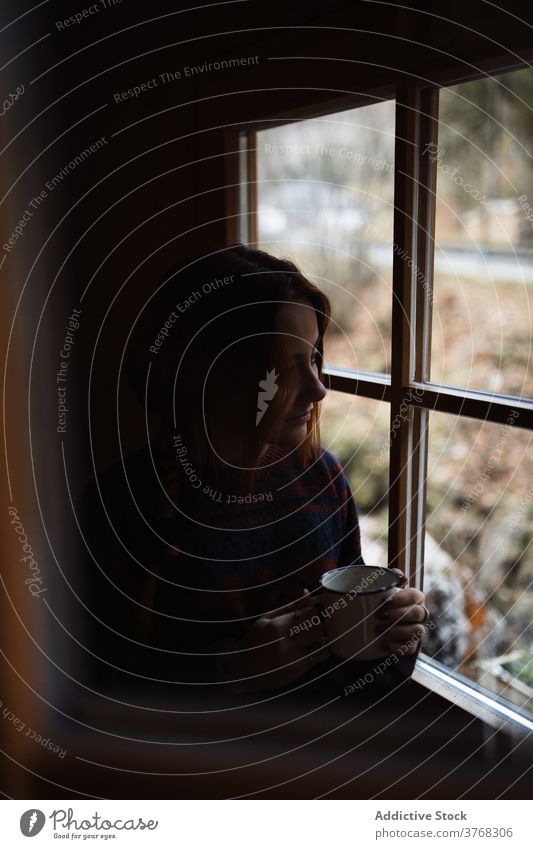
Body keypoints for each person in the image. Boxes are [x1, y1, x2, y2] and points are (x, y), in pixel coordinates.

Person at [78, 244, 428, 697]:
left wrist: (396, 629)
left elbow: (354, 652)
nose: (319, 389)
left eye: (315, 358)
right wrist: (228, 673)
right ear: (206, 371)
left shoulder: (322, 480)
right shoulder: (120, 511)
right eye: (282, 368)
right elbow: (92, 692)